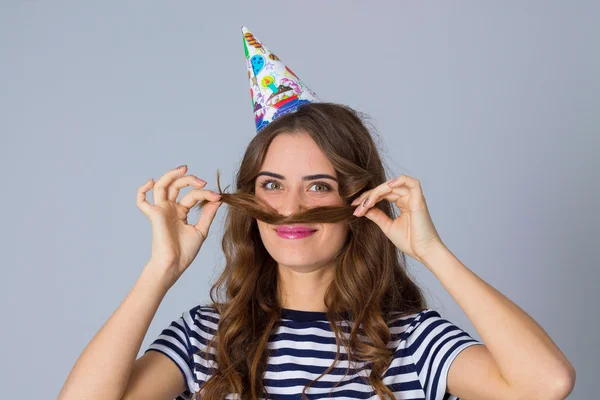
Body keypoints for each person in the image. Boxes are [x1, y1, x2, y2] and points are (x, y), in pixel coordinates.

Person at [58, 27, 575, 400]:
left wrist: (430, 251)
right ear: (250, 201)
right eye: (272, 185)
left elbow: (545, 384)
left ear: (360, 203)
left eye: (319, 186)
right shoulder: (205, 338)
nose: (290, 209)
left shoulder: (413, 342)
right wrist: (160, 272)